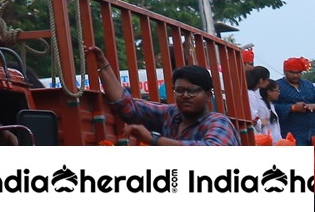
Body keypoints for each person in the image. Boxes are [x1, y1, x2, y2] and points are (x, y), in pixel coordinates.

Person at [86, 46, 239, 145]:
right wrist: (103, 66)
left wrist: (153, 139)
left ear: (207, 95)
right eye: (179, 90)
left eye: (192, 91)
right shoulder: (172, 114)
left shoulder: (219, 122)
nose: (185, 95)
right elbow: (127, 105)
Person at [274, 56, 315, 145]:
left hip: (312, 132)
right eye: (292, 72)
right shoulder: (277, 86)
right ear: (285, 71)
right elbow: (271, 107)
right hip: (290, 134)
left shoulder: (308, 85)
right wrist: (292, 108)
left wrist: (312, 106)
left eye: (298, 72)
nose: (295, 75)